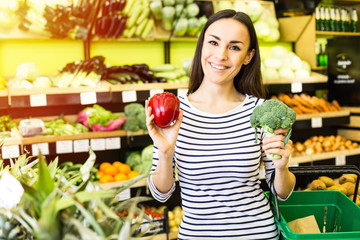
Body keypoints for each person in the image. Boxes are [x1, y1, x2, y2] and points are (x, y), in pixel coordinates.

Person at [145, 9, 296, 240]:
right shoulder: (173, 109)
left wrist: (282, 167)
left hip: (258, 234)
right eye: (213, 43)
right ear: (202, 46)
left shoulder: (260, 111)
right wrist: (165, 152)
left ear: (248, 56)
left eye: (234, 47)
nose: (221, 55)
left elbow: (281, 193)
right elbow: (161, 194)